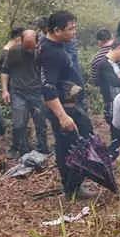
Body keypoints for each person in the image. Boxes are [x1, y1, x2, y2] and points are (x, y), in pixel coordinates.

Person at [39, 11, 96, 199]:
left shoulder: (56, 45)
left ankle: (75, 184)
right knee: (68, 147)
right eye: (70, 29)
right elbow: (48, 88)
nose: (74, 32)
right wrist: (62, 116)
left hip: (71, 105)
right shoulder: (51, 52)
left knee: (77, 142)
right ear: (56, 30)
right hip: (64, 109)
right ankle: (72, 189)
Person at [0, 29, 48, 157]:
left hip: (37, 92)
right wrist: (5, 90)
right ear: (21, 41)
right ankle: (22, 150)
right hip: (18, 92)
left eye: (31, 46)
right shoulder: (13, 51)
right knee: (19, 123)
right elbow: (5, 71)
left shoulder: (41, 52)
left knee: (40, 121)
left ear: (37, 42)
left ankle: (43, 148)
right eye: (26, 46)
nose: (28, 49)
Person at [95, 39, 120, 151]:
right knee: (117, 135)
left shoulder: (113, 63)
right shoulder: (104, 64)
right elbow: (114, 82)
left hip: (118, 103)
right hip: (112, 105)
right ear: (119, 48)